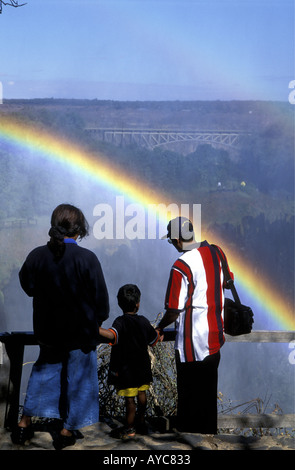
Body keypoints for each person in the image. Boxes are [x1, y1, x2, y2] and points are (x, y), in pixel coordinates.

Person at [12, 204, 109, 450]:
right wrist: (95, 323)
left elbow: (28, 286)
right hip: (80, 335)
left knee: (43, 375)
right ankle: (66, 431)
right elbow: (102, 303)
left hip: (48, 333)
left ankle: (24, 424)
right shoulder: (87, 259)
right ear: (79, 230)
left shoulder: (37, 255)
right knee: (79, 380)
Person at [156, 216, 233, 434]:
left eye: (171, 240)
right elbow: (228, 281)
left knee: (189, 403)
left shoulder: (181, 265)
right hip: (215, 339)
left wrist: (159, 328)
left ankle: (189, 443)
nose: (172, 244)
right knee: (208, 400)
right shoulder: (217, 252)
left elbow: (173, 309)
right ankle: (209, 439)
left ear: (178, 240)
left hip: (192, 345)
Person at [99, 284, 161, 439]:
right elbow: (153, 340)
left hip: (127, 371)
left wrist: (94, 328)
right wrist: (159, 332)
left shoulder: (120, 322)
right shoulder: (143, 321)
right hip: (143, 368)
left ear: (119, 303)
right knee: (142, 394)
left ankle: (129, 428)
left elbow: (112, 335)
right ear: (138, 304)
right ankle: (141, 423)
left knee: (129, 401)